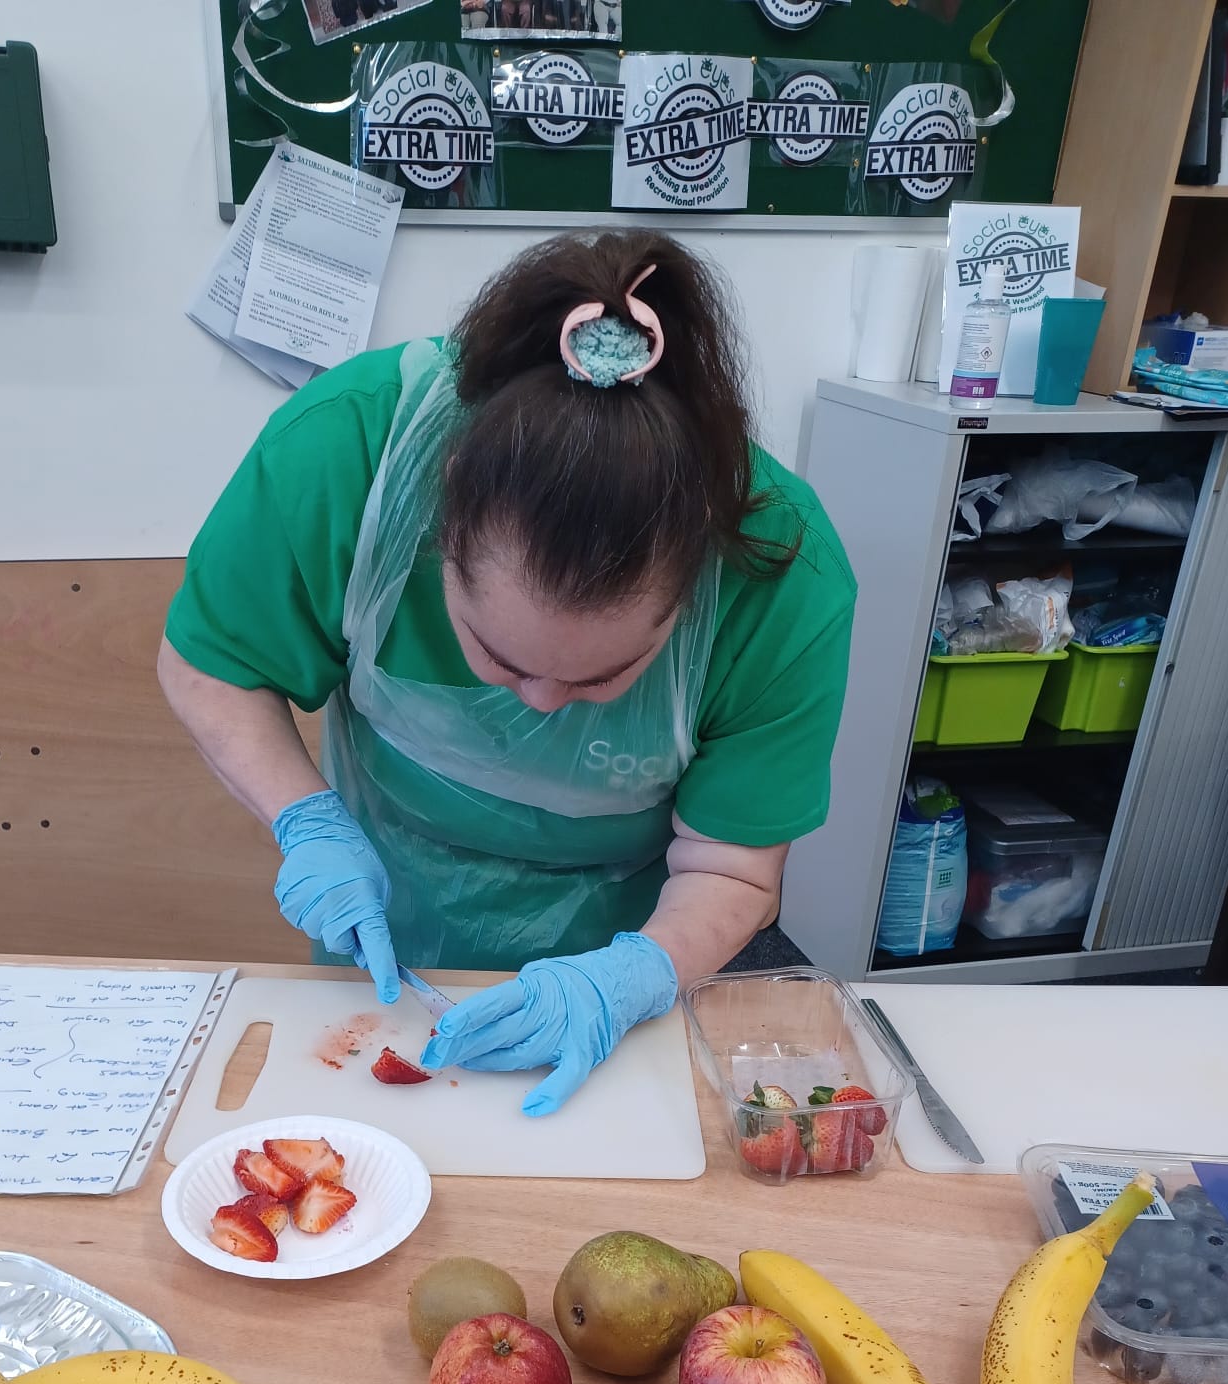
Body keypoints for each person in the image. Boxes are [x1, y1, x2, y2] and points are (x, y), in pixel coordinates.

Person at [160, 231, 855, 1114]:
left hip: (624, 971)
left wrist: (635, 976)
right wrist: (307, 822)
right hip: (383, 950)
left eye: (604, 677)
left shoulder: (782, 572)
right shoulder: (345, 452)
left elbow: (732, 865)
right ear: (441, 516)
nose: (542, 703)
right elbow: (215, 667)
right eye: (499, 656)